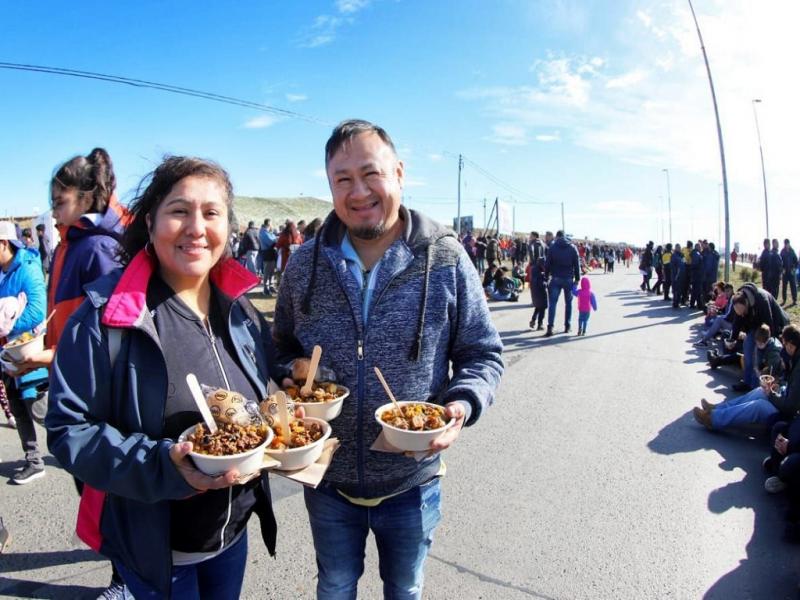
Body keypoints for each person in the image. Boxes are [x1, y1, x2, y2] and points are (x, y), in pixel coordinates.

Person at [272, 119, 503, 599]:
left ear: (398, 173)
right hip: (328, 479)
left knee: (405, 588)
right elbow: (279, 349)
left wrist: (461, 405)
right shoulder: (304, 264)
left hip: (413, 482)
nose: (358, 192)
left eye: (370, 173)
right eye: (342, 180)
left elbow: (482, 353)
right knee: (334, 586)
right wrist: (291, 376)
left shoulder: (446, 258)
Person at [45, 156, 287, 599]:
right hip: (158, 549)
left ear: (227, 227)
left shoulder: (241, 307)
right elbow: (67, 432)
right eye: (180, 210)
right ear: (151, 220)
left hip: (231, 535)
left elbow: (266, 381)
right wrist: (162, 465)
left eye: (211, 213)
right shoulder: (103, 319)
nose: (197, 227)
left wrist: (293, 396)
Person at [0, 221, 48, 484]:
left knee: (41, 411)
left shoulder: (27, 269)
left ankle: (83, 450)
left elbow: (37, 312)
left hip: (28, 355)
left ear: (3, 243)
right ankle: (34, 460)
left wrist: (6, 327)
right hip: (6, 356)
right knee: (18, 410)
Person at [694, 324, 797, 431]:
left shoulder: (796, 368)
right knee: (760, 391)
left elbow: (790, 407)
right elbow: (789, 391)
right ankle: (716, 409)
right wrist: (778, 388)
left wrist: (772, 394)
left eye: (784, 344)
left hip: (786, 418)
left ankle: (713, 419)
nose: (783, 348)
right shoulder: (794, 361)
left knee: (758, 406)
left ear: (791, 346)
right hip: (782, 402)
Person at [726, 283, 789, 392]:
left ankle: (754, 388)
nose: (741, 315)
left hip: (771, 325)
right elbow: (737, 322)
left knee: (757, 355)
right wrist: (733, 339)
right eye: (739, 313)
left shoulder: (761, 300)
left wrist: (764, 346)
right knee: (747, 347)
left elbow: (770, 323)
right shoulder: (738, 301)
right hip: (755, 325)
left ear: (746, 303)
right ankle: (746, 382)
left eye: (743, 312)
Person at [544, 230, 580, 337]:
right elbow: (577, 264)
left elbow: (547, 264)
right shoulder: (572, 248)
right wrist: (577, 279)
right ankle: (567, 326)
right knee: (568, 303)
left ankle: (550, 327)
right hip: (568, 278)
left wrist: (546, 276)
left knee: (553, 304)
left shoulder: (553, 247)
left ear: (557, 236)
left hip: (555, 278)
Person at [528, 257, 547, 330]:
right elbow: (542, 284)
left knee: (538, 307)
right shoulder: (540, 273)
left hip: (534, 292)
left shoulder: (534, 270)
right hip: (540, 293)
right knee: (542, 308)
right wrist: (547, 282)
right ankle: (540, 324)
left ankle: (533, 320)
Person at [781, 238, 798, 306]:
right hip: (785, 273)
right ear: (784, 244)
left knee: (793, 286)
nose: (786, 245)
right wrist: (782, 269)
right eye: (785, 244)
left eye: (787, 244)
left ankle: (794, 300)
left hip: (791, 272)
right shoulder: (782, 251)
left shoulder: (792, 251)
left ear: (789, 244)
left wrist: (794, 269)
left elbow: (796, 261)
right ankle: (784, 299)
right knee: (784, 287)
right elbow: (780, 262)